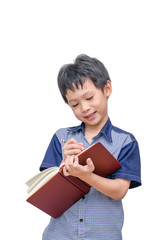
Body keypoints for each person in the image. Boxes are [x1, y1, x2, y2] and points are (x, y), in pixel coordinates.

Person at [40, 54, 141, 240]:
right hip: (59, 235)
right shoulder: (61, 138)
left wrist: (86, 176)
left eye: (89, 97)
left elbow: (119, 191)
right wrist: (63, 166)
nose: (84, 108)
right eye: (75, 104)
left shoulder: (125, 142)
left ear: (107, 89)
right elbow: (46, 194)